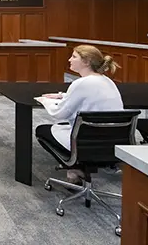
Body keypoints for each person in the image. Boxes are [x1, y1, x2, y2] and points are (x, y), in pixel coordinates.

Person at [35, 45, 123, 184]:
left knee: (42, 130)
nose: (70, 59)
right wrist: (62, 96)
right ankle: (81, 167)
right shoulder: (107, 81)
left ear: (86, 62)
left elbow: (59, 114)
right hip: (110, 142)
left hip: (86, 141)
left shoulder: (80, 83)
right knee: (67, 127)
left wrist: (45, 101)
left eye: (74, 57)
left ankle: (74, 169)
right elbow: (87, 95)